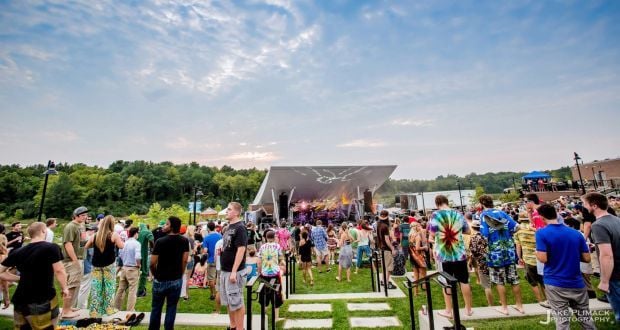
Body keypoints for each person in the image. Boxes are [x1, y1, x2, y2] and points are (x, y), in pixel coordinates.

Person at [535, 204, 595, 330]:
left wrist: (536, 252)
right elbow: (587, 258)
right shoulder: (576, 233)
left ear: (541, 217)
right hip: (576, 282)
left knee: (562, 322)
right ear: (556, 214)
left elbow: (543, 258)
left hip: (555, 282)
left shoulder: (542, 233)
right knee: (586, 320)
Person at [0, 222, 69, 330]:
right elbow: (59, 270)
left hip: (20, 300)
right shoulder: (51, 248)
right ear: (43, 231)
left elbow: (1, 272)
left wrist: (20, 278)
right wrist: (65, 288)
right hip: (42, 299)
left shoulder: (18, 251)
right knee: (47, 327)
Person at [428, 195, 473, 318]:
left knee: (446, 282)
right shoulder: (458, 214)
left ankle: (448, 310)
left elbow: (432, 234)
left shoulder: (435, 215)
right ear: (447, 202)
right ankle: (468, 309)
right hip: (459, 253)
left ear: (437, 204)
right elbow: (468, 231)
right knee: (464, 281)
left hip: (444, 254)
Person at [479, 194, 523, 316]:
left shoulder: (484, 215)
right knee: (514, 279)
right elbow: (517, 227)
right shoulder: (502, 213)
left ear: (482, 203)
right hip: (509, 249)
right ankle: (519, 306)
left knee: (499, 281)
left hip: (495, 252)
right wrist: (509, 233)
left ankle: (504, 307)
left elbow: (484, 234)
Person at [584, 192, 620, 322]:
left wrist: (604, 281)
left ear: (594, 206)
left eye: (586, 204)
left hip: (614, 275)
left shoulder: (598, 225)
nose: (585, 207)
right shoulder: (616, 219)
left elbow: (606, 255)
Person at [149, 216, 189, 330]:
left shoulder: (160, 241)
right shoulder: (184, 240)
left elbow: (152, 263)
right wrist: (180, 273)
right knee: (172, 308)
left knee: (156, 308)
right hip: (175, 279)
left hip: (160, 279)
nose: (163, 226)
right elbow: (185, 260)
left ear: (171, 227)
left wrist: (155, 274)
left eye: (166, 224)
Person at [84, 215, 124, 317]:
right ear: (112, 224)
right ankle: (108, 309)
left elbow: (86, 246)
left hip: (96, 264)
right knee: (109, 287)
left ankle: (94, 311)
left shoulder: (96, 235)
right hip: (109, 264)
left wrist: (96, 245)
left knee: (96, 287)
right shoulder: (113, 235)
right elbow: (121, 246)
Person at [220, 202, 248, 330]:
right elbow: (230, 246)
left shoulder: (240, 227)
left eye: (229, 209)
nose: (227, 211)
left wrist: (234, 271)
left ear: (236, 212)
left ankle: (240, 328)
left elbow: (241, 250)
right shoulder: (228, 227)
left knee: (236, 302)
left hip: (234, 271)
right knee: (228, 301)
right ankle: (233, 326)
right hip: (225, 270)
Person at [514, 213, 548, 308]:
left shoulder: (518, 231)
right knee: (543, 281)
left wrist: (519, 258)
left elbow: (518, 246)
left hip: (528, 259)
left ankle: (540, 300)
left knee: (533, 282)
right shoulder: (536, 229)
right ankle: (548, 300)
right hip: (540, 257)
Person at [61, 206, 88, 319]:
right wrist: (75, 260)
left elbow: (82, 242)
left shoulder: (81, 226)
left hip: (80, 258)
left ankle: (69, 307)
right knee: (71, 286)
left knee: (76, 285)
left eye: (86, 215)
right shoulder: (71, 226)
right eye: (82, 215)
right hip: (72, 260)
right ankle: (66, 312)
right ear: (75, 216)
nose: (85, 217)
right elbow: (68, 244)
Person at [257, 230, 284, 321]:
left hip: (264, 273)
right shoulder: (277, 246)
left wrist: (259, 271)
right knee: (276, 294)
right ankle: (276, 317)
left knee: (264, 294)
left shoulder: (262, 247)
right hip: (274, 273)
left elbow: (259, 261)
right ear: (274, 237)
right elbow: (281, 258)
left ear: (266, 238)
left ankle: (264, 315)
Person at [115, 227, 141, 312]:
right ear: (136, 233)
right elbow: (137, 256)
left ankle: (116, 308)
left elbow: (120, 255)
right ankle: (130, 310)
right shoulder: (137, 243)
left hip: (124, 268)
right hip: (132, 268)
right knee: (132, 290)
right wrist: (138, 264)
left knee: (121, 289)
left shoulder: (124, 243)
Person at [469, 220, 494, 306]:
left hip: (482, 263)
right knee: (496, 282)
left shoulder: (473, 238)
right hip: (492, 260)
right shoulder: (485, 236)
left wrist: (470, 262)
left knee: (487, 286)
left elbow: (473, 252)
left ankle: (490, 305)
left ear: (472, 227)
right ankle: (501, 300)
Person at [76, 225, 96, 310]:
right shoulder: (88, 240)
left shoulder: (77, 240)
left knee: (77, 288)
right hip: (87, 267)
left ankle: (74, 307)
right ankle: (81, 308)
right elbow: (91, 254)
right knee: (84, 290)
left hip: (78, 266)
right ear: (91, 230)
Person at [376, 210, 397, 290]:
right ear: (387, 216)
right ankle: (387, 283)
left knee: (384, 266)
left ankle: (383, 280)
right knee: (389, 267)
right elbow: (387, 239)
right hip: (386, 248)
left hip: (381, 248)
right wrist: (392, 249)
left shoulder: (378, 224)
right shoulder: (385, 226)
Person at [203, 221, 222, 301]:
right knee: (220, 277)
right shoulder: (220, 236)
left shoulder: (206, 238)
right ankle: (220, 294)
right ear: (214, 227)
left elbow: (205, 250)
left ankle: (213, 294)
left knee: (211, 279)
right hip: (220, 260)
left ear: (208, 228)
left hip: (211, 260)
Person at [408, 222, 428, 296]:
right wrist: (425, 247)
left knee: (416, 274)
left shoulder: (410, 235)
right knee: (424, 274)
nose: (420, 227)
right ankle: (426, 292)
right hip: (419, 256)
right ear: (416, 227)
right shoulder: (417, 236)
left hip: (412, 256)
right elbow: (417, 248)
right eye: (419, 226)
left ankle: (415, 293)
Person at [137, 223, 154, 297]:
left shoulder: (139, 233)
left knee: (135, 272)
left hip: (136, 255)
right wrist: (152, 247)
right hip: (143, 254)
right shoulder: (147, 232)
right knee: (144, 272)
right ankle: (140, 291)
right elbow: (151, 239)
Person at [181, 225, 197, 300]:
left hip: (182, 259)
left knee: (182, 277)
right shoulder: (191, 239)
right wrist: (196, 246)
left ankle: (181, 293)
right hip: (190, 259)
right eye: (194, 230)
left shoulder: (183, 237)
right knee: (187, 278)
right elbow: (193, 252)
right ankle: (186, 294)